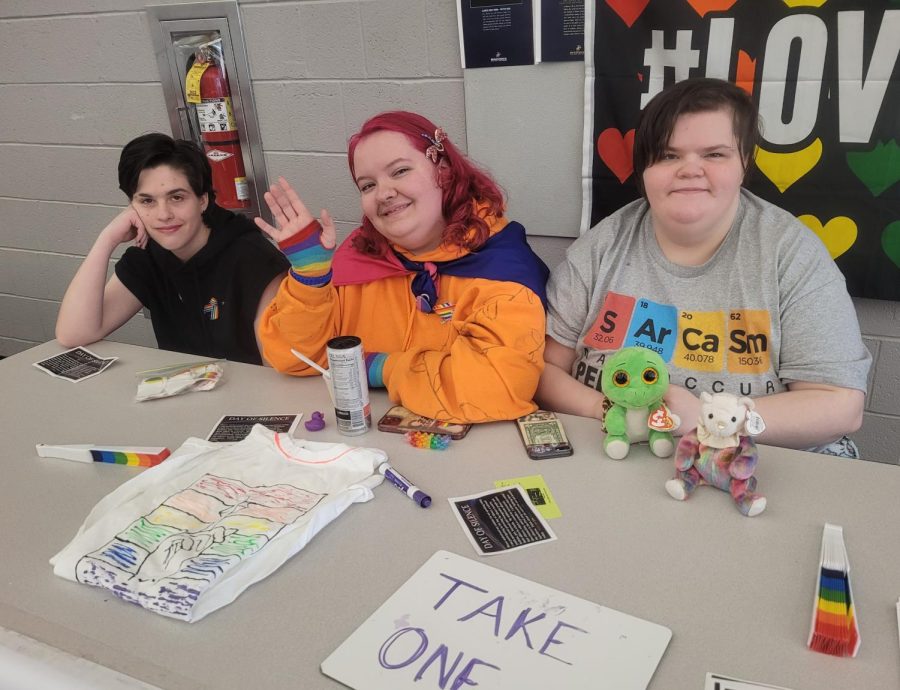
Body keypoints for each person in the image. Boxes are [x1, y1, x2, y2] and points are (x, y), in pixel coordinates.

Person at [537, 78, 870, 456]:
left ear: (744, 162)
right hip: (616, 451)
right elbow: (544, 370)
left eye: (714, 155)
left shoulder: (791, 253)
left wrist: (706, 417)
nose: (689, 169)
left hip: (752, 467)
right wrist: (616, 414)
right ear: (644, 169)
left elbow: (840, 406)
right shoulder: (603, 245)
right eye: (668, 155)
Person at [256, 111, 549, 423]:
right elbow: (295, 359)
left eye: (400, 171)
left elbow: (494, 388)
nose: (383, 193)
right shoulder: (358, 257)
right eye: (367, 185)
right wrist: (310, 277)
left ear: (444, 170)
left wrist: (378, 367)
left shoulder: (503, 267)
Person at [56, 133, 288, 365]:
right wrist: (106, 240)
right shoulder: (148, 254)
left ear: (203, 200)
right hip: (184, 393)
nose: (163, 214)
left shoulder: (252, 258)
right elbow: (74, 333)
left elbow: (276, 369)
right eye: (147, 201)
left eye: (176, 197)